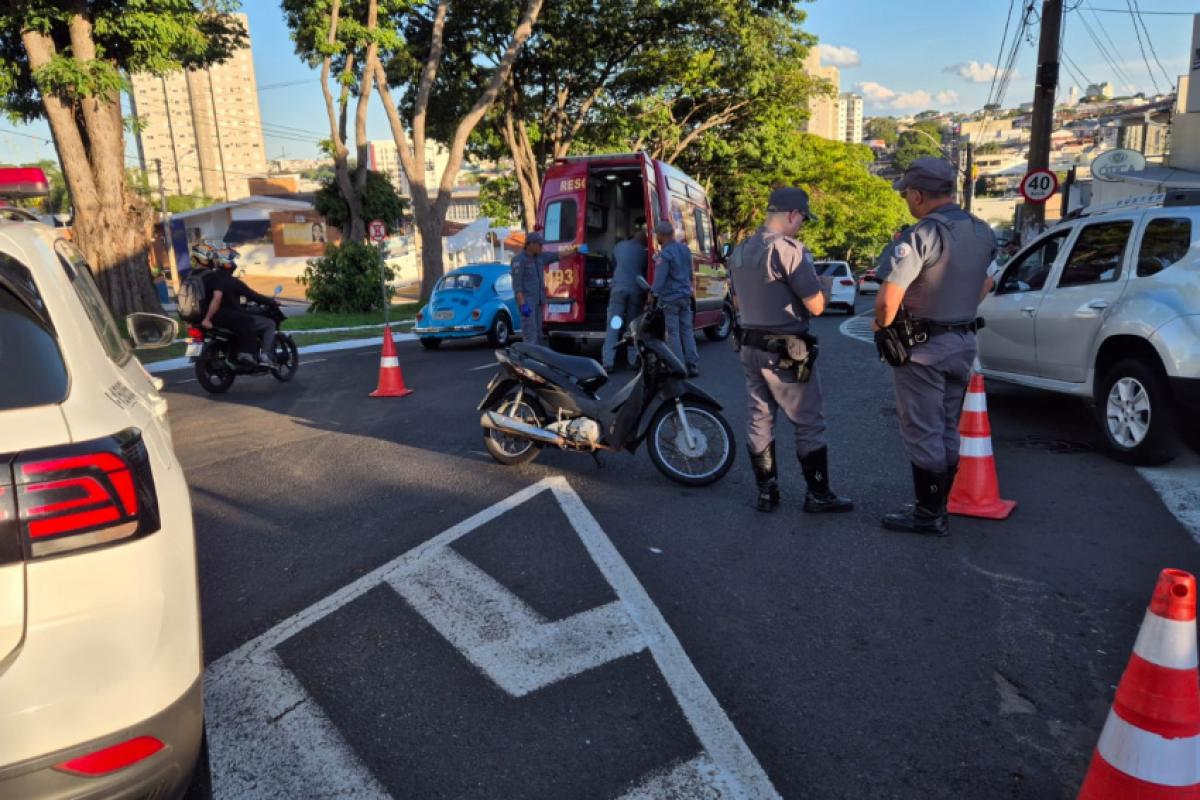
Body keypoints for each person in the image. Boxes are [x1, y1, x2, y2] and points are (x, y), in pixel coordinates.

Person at [874, 157, 995, 536]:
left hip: (924, 348)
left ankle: (928, 514)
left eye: (907, 194)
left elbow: (887, 296)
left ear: (918, 194)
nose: (907, 201)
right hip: (963, 341)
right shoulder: (983, 232)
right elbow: (987, 284)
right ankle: (938, 504)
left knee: (921, 429)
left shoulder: (923, 233)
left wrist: (883, 332)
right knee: (947, 427)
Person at [728, 187, 853, 515]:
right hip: (786, 349)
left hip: (750, 345)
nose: (801, 227)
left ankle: (766, 493)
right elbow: (815, 307)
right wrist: (823, 289)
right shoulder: (789, 250)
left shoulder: (740, 251)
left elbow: (738, 303)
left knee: (759, 418)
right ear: (792, 214)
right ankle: (818, 493)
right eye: (802, 220)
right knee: (808, 420)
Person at [200, 249, 281, 367]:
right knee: (269, 323)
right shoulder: (232, 281)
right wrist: (271, 302)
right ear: (227, 263)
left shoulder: (208, 278)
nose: (234, 263)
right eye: (232, 260)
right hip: (229, 317)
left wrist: (207, 317)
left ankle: (236, 354)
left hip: (212, 318)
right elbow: (253, 295)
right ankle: (262, 355)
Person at [510, 232, 579, 346]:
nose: (542, 247)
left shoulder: (540, 257)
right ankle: (530, 361)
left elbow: (559, 255)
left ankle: (539, 360)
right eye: (539, 245)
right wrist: (523, 305)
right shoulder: (519, 260)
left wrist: (576, 249)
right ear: (531, 244)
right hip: (528, 303)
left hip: (539, 302)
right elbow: (517, 287)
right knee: (530, 335)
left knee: (538, 334)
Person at [650, 221, 699, 377]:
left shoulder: (665, 255)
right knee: (687, 330)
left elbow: (659, 279)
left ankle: (678, 366)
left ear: (662, 236)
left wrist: (652, 294)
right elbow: (690, 274)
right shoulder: (685, 250)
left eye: (657, 235)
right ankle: (693, 365)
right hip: (685, 295)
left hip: (670, 298)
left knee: (673, 333)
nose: (656, 238)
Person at [601, 228, 648, 371]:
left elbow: (613, 265)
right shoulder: (644, 252)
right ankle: (632, 360)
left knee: (614, 325)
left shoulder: (619, 246)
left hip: (619, 290)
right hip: (635, 292)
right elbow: (646, 270)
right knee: (632, 326)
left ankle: (608, 362)